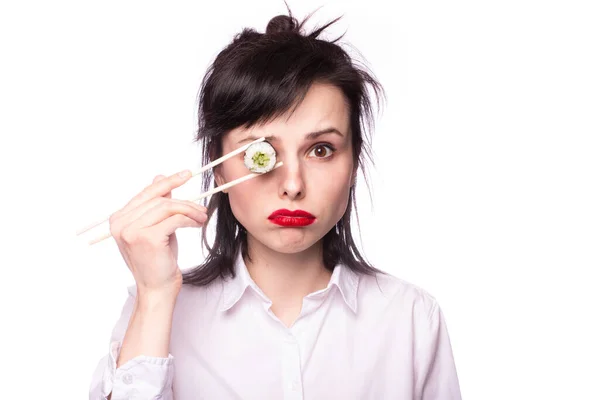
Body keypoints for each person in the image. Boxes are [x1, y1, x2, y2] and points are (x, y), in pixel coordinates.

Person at [88, 7, 462, 400]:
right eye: (260, 153)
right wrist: (155, 296)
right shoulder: (155, 310)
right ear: (218, 169)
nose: (293, 185)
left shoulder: (412, 318)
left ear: (353, 164)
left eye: (321, 149)